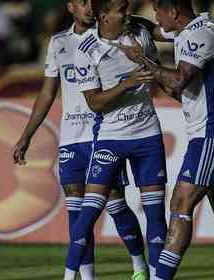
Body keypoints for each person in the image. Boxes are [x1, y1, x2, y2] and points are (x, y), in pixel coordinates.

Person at [118, 1, 214, 279]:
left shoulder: (199, 35)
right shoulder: (189, 31)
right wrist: (121, 17)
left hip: (211, 134)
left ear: (174, 12)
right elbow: (156, 33)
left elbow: (179, 80)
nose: (156, 18)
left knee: (181, 205)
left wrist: (143, 60)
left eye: (158, 11)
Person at [12, 1, 149, 279]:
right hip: (72, 138)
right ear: (70, 6)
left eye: (93, 2)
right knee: (76, 209)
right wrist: (27, 135)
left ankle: (139, 266)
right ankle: (88, 277)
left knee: (115, 202)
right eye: (83, 2)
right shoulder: (59, 42)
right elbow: (48, 93)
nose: (89, 7)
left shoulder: (112, 38)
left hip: (104, 134)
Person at [64, 0, 168, 279]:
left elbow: (172, 35)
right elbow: (94, 103)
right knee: (89, 214)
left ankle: (154, 275)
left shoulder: (141, 34)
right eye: (121, 10)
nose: (128, 14)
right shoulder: (86, 50)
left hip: (148, 134)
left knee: (156, 213)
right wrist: (127, 84)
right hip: (110, 138)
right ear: (103, 16)